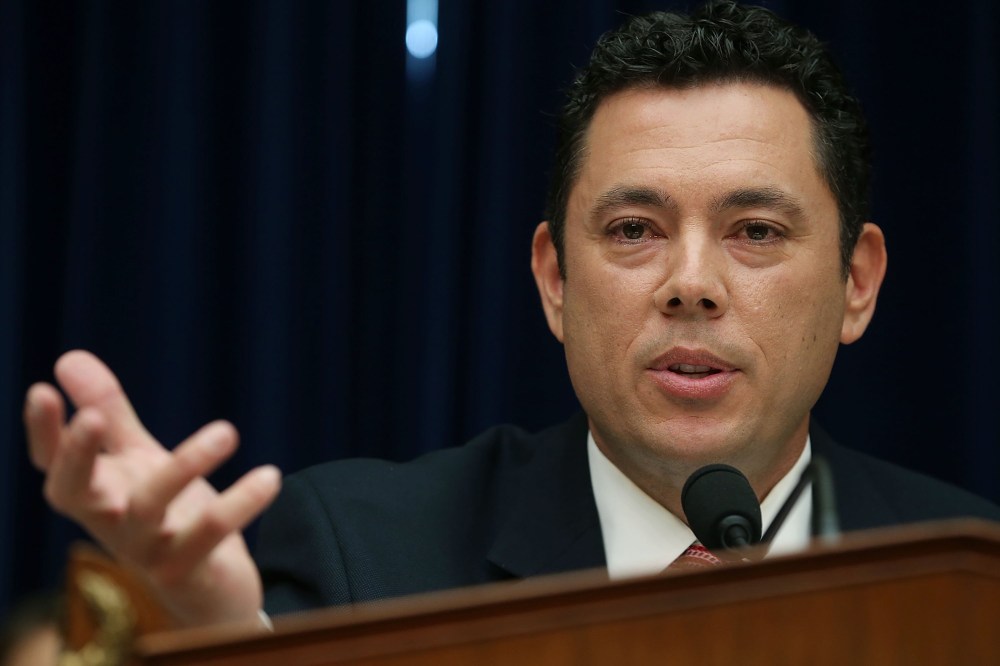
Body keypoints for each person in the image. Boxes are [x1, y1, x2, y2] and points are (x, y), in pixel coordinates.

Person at [24, 1, 1000, 627]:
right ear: (553, 281)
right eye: (632, 229)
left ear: (856, 283)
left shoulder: (973, 578)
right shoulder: (361, 559)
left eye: (752, 231)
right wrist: (223, 645)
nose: (690, 283)